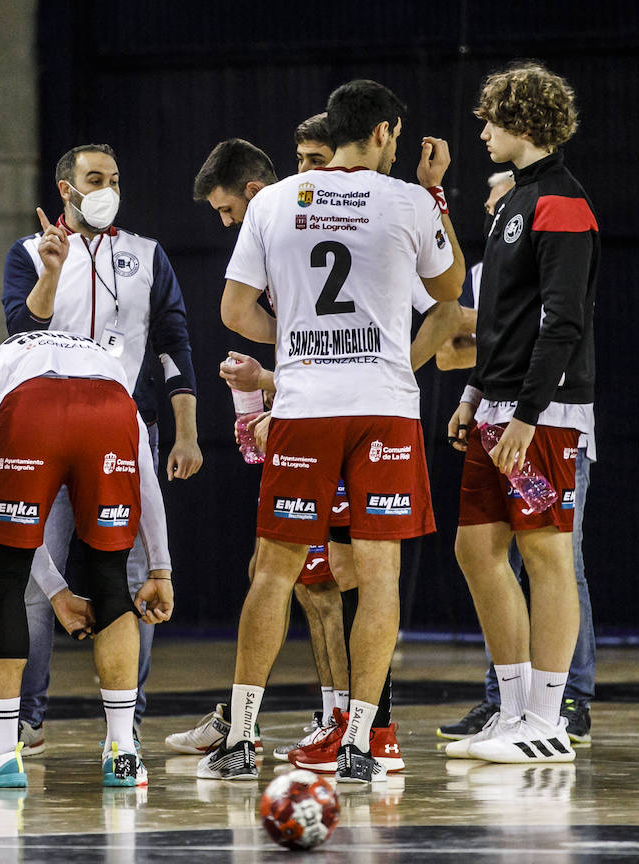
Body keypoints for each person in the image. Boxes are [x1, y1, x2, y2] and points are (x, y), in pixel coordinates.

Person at [196, 79, 464, 785]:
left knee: (274, 572)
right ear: (382, 133)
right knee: (378, 579)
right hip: (381, 405)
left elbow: (233, 309)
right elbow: (449, 292)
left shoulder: (277, 198)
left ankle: (242, 739)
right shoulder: (406, 199)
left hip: (306, 405)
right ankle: (361, 746)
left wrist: (297, 345)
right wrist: (433, 198)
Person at [1, 143, 200, 751]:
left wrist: (186, 431)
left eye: (115, 177)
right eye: (95, 179)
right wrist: (53, 272)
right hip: (46, 436)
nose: (108, 188)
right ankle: (26, 719)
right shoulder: (28, 253)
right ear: (67, 188)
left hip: (128, 431)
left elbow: (174, 341)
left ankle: (127, 724)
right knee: (39, 578)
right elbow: (21, 333)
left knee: (138, 574)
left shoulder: (147, 255)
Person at [444, 62, 597, 765]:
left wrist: (529, 414)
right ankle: (511, 712)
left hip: (546, 413)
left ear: (524, 124)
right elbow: (501, 321)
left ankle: (547, 718)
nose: (482, 132)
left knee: (547, 554)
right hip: (499, 407)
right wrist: (475, 397)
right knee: (476, 550)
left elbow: (563, 322)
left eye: (491, 121)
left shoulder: (562, 201)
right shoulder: (512, 202)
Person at [0, 329, 175, 789]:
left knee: (6, 581)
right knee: (112, 580)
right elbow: (144, 473)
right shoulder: (107, 369)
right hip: (110, 406)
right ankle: (123, 755)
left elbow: (10, 520)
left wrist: (54, 590)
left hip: (32, 406)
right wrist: (161, 568)